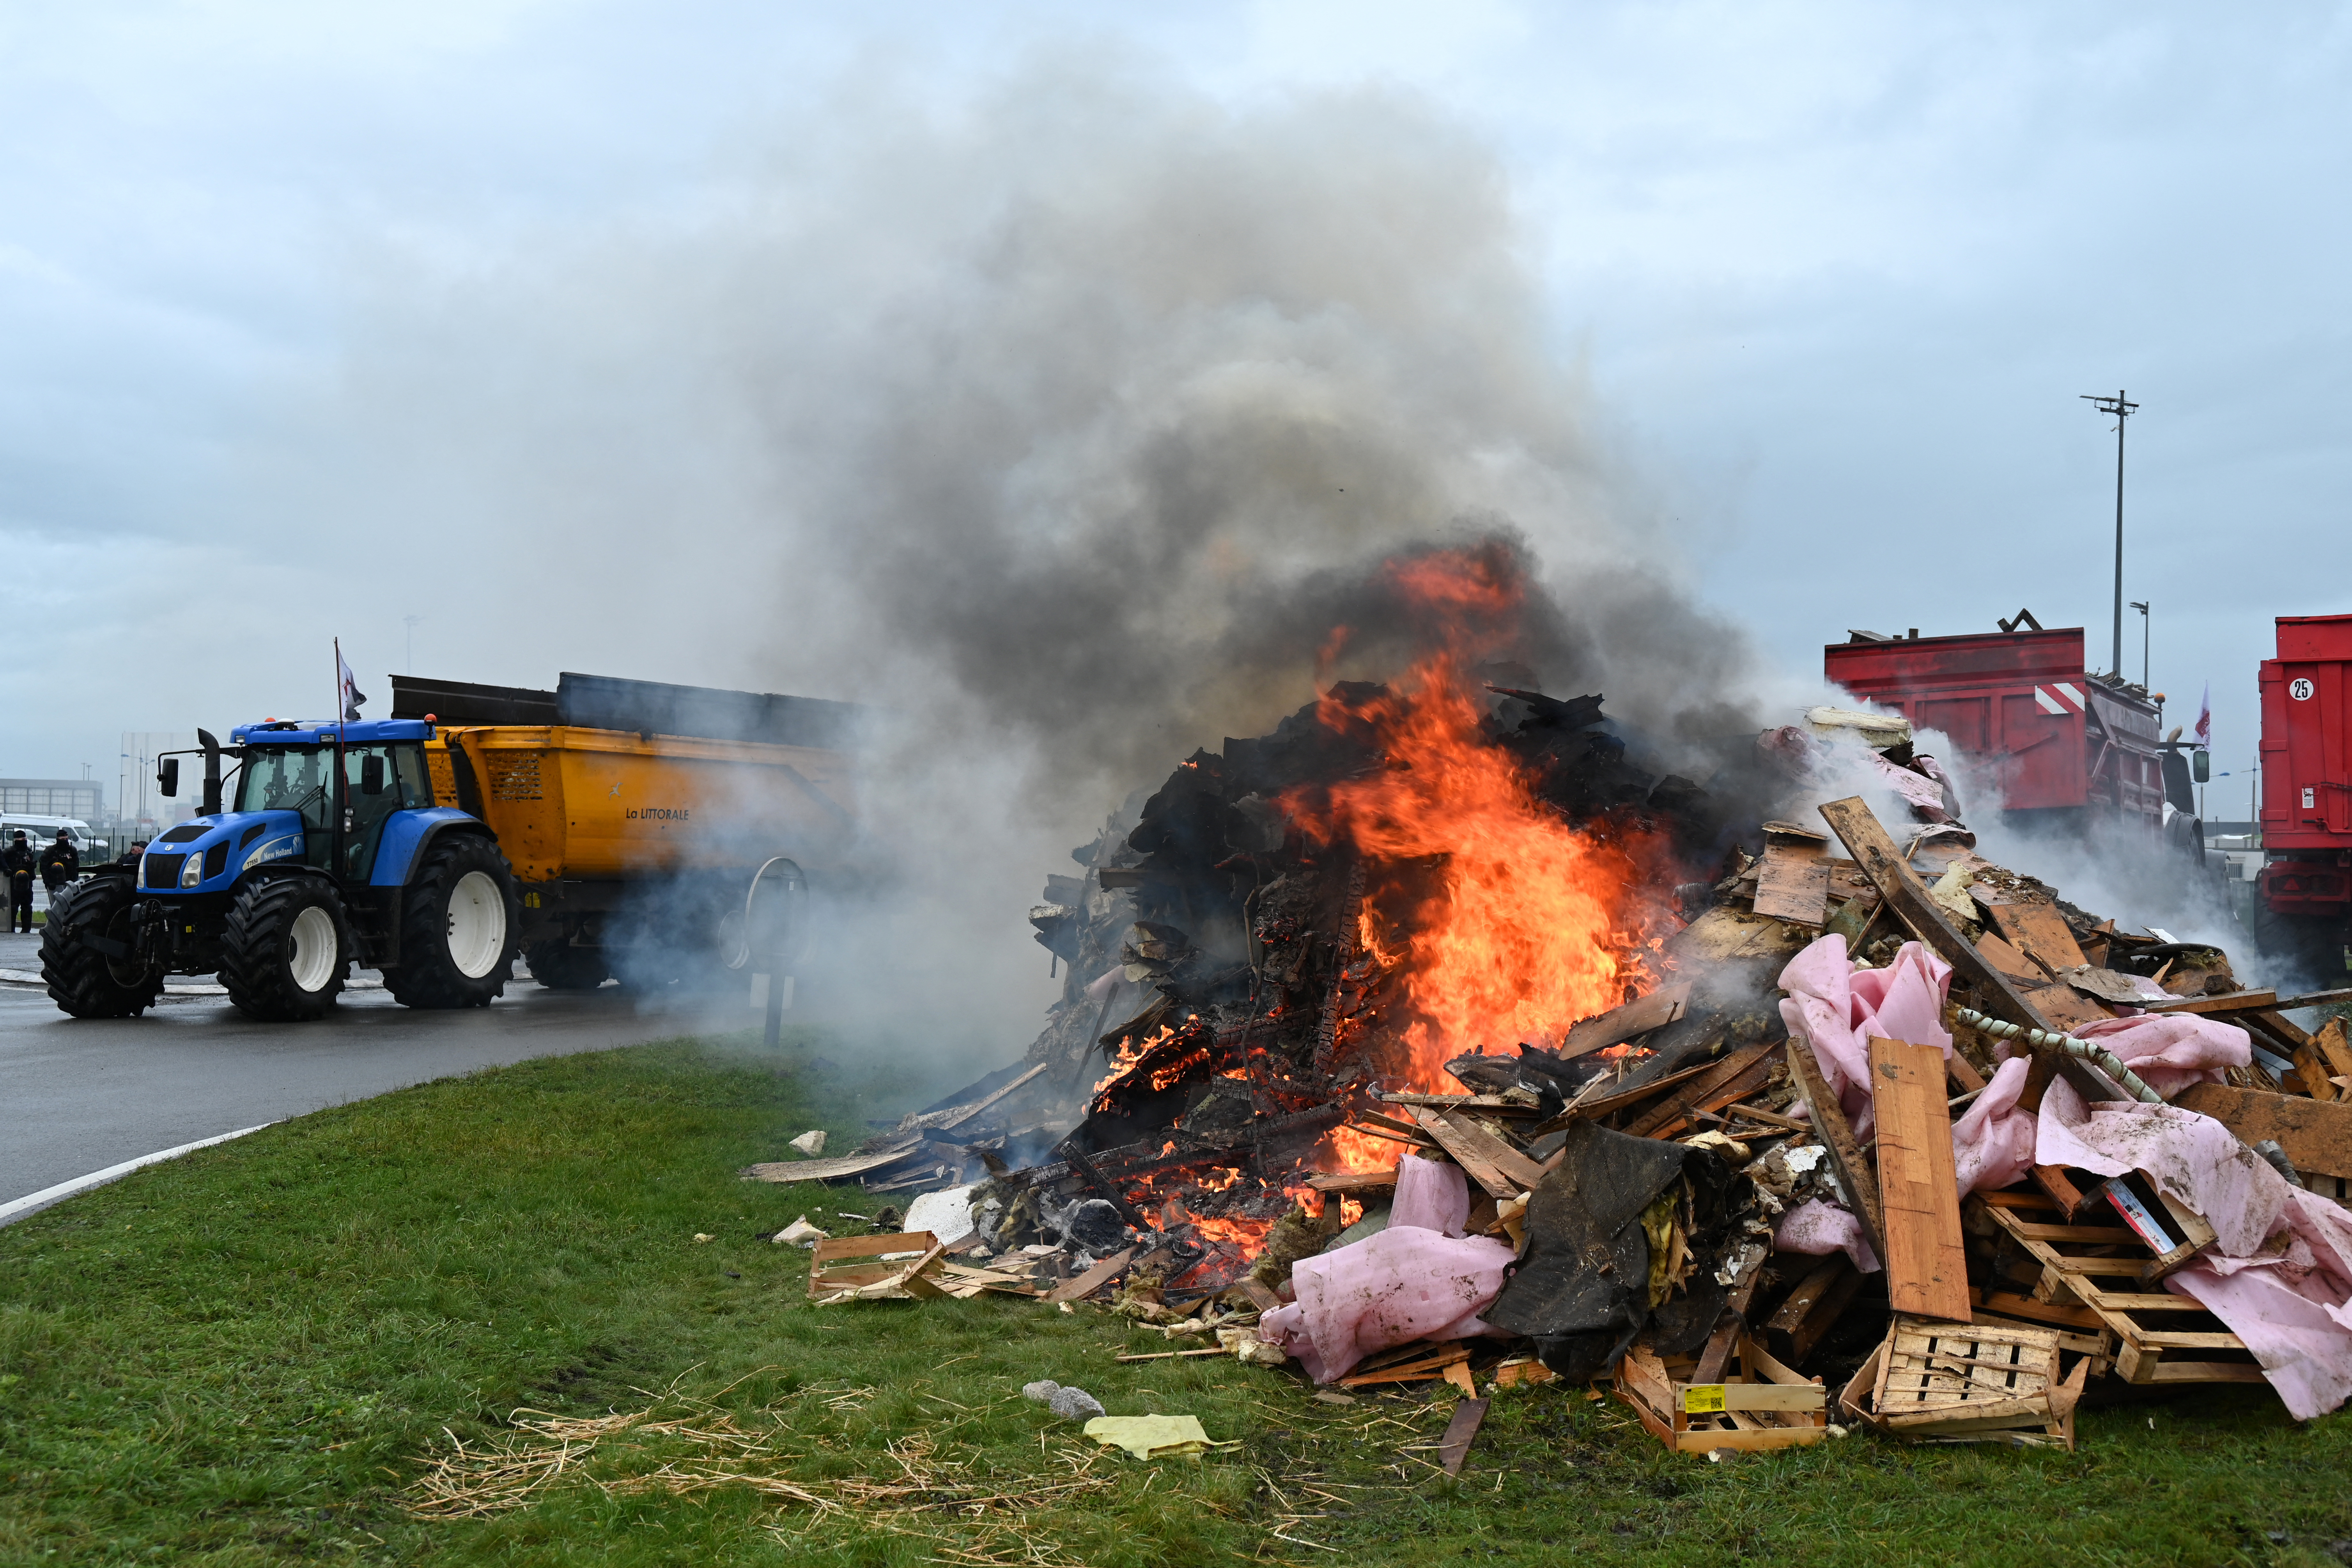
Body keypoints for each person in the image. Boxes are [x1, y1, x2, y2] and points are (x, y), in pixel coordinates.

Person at [3, 830, 35, 933]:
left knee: (27, 907)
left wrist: (32, 868)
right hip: (13, 883)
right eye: (23, 840)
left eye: (26, 839)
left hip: (27, 883)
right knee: (13, 907)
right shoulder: (9, 852)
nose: (25, 841)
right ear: (17, 841)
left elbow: (31, 867)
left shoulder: (29, 851)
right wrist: (6, 870)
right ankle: (11, 929)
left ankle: (26, 930)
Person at [39, 829, 80, 901]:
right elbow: (44, 867)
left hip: (69, 882)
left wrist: (74, 881)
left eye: (67, 839)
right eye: (63, 839)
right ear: (58, 839)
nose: (65, 841)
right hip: (54, 883)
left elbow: (76, 867)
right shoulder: (51, 851)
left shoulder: (72, 851)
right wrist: (48, 882)